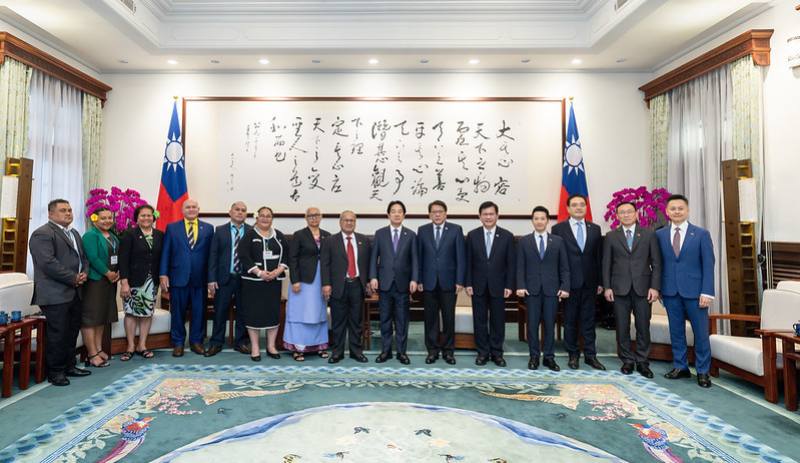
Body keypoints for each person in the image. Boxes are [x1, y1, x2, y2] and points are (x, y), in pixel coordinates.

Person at [29, 199, 91, 386]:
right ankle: (55, 372)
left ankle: (69, 366)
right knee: (58, 334)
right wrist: (73, 277)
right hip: (55, 293)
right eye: (63, 210)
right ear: (50, 214)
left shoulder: (74, 233)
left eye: (70, 210)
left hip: (75, 291)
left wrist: (84, 274)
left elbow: (84, 258)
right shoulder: (42, 234)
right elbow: (48, 264)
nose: (68, 213)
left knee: (71, 332)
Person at [656, 194, 715, 388]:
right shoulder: (660, 234)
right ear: (667, 211)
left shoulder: (700, 234)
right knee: (677, 332)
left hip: (696, 293)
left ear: (687, 210)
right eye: (673, 208)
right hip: (670, 291)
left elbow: (708, 264)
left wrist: (707, 292)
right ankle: (680, 366)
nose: (677, 211)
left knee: (700, 333)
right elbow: (658, 264)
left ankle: (703, 371)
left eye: (680, 208)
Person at [602, 201, 662, 378]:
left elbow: (656, 263)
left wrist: (655, 287)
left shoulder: (649, 234)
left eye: (629, 212)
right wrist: (607, 287)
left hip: (643, 288)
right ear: (617, 216)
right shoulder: (611, 236)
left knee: (643, 326)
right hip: (619, 288)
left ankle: (643, 361)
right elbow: (606, 264)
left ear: (636, 214)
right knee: (622, 327)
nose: (626, 215)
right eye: (622, 212)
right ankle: (627, 360)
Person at [551, 194, 606, 371]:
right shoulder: (558, 229)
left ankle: (591, 355)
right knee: (570, 320)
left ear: (586, 207)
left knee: (589, 320)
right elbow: (557, 259)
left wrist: (600, 281)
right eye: (574, 205)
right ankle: (573, 355)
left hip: (590, 282)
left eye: (582, 205)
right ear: (568, 209)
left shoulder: (595, 229)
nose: (579, 208)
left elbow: (599, 258)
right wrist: (561, 283)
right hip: (569, 283)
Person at [516, 206, 570, 371]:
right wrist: (520, 285)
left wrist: (565, 286)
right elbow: (520, 266)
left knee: (549, 324)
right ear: (532, 221)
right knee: (532, 326)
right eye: (536, 218)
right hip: (531, 290)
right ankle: (534, 357)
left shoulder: (558, 241)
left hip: (552, 290)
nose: (539, 221)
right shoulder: (524, 241)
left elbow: (564, 267)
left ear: (547, 220)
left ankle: (549, 357)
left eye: (542, 218)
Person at [159, 199, 214, 357]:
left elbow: (212, 256)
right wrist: (163, 274)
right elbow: (166, 252)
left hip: (200, 278)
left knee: (199, 311)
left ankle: (196, 342)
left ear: (198, 209)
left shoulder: (208, 229)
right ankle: (178, 343)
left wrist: (211, 278)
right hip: (178, 277)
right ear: (183, 210)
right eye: (188, 207)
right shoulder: (172, 228)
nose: (191, 209)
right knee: (178, 312)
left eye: (194, 207)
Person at [465, 201, 515, 367]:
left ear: (497, 216)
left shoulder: (507, 236)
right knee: (479, 321)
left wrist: (509, 285)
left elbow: (511, 264)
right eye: (485, 214)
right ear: (479, 217)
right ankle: (482, 353)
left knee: (498, 320)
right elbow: (468, 262)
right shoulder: (472, 235)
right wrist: (468, 283)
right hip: (477, 285)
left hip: (499, 286)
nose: (488, 217)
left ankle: (497, 353)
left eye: (491, 214)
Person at [370, 200, 419, 365]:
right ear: (388, 215)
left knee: (402, 320)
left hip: (403, 284)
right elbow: (373, 258)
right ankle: (386, 351)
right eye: (393, 211)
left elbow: (415, 260)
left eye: (400, 211)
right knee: (384, 319)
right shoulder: (380, 233)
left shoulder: (411, 235)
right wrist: (373, 277)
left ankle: (401, 352)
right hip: (384, 283)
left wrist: (414, 279)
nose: (397, 214)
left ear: (404, 215)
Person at [417, 200, 465, 365]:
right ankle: (432, 350)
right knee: (430, 319)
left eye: (440, 211)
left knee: (448, 318)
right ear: (429, 214)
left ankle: (448, 351)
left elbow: (461, 257)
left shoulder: (455, 230)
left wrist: (460, 280)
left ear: (445, 213)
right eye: (434, 211)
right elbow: (419, 258)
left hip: (449, 282)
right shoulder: (422, 231)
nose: (437, 214)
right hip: (428, 282)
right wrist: (419, 280)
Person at [321, 210, 371, 364]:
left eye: (352, 220)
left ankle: (357, 352)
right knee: (338, 322)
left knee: (356, 321)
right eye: (346, 220)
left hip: (357, 285)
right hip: (338, 286)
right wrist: (326, 284)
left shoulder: (363, 240)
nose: (349, 223)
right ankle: (337, 352)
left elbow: (368, 264)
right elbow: (325, 264)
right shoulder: (330, 241)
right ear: (340, 222)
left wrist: (368, 281)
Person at [239, 206, 289, 361]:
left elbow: (286, 255)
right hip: (253, 283)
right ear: (257, 218)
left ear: (272, 218)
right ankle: (255, 347)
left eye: (268, 216)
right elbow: (243, 256)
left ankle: (271, 346)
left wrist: (278, 271)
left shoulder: (279, 235)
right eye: (262, 216)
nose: (265, 218)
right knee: (254, 314)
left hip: (273, 282)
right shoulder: (249, 235)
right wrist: (259, 272)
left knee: (272, 314)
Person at [284, 207, 331, 361]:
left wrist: (328, 282)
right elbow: (293, 258)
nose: (313, 218)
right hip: (302, 281)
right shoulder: (299, 235)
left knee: (318, 314)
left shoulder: (327, 236)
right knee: (300, 314)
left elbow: (329, 261)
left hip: (321, 281)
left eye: (316, 215)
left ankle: (319, 345)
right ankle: (299, 347)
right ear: (305, 217)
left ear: (321, 216)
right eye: (310, 215)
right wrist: (295, 280)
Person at [205, 201, 252, 357]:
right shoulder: (220, 231)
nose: (240, 212)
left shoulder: (252, 231)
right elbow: (213, 256)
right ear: (230, 212)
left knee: (243, 311)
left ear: (246, 214)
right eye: (237, 210)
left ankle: (241, 342)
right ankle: (216, 342)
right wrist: (211, 279)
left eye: (243, 210)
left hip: (245, 278)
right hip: (224, 278)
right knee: (220, 311)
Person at [118, 205, 164, 361]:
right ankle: (130, 346)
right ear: (137, 218)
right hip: (133, 282)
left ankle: (142, 345)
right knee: (130, 313)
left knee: (147, 313)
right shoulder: (129, 234)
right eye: (143, 216)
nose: (146, 218)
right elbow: (123, 260)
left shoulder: (160, 235)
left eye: (149, 215)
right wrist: (124, 282)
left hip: (152, 282)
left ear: (154, 217)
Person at [81, 207, 120, 368]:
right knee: (91, 318)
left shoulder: (112, 235)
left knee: (102, 317)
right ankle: (91, 354)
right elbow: (92, 257)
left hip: (109, 281)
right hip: (96, 280)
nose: (107, 221)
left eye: (109, 217)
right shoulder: (90, 235)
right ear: (95, 219)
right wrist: (107, 273)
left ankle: (98, 349)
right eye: (103, 218)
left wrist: (115, 273)